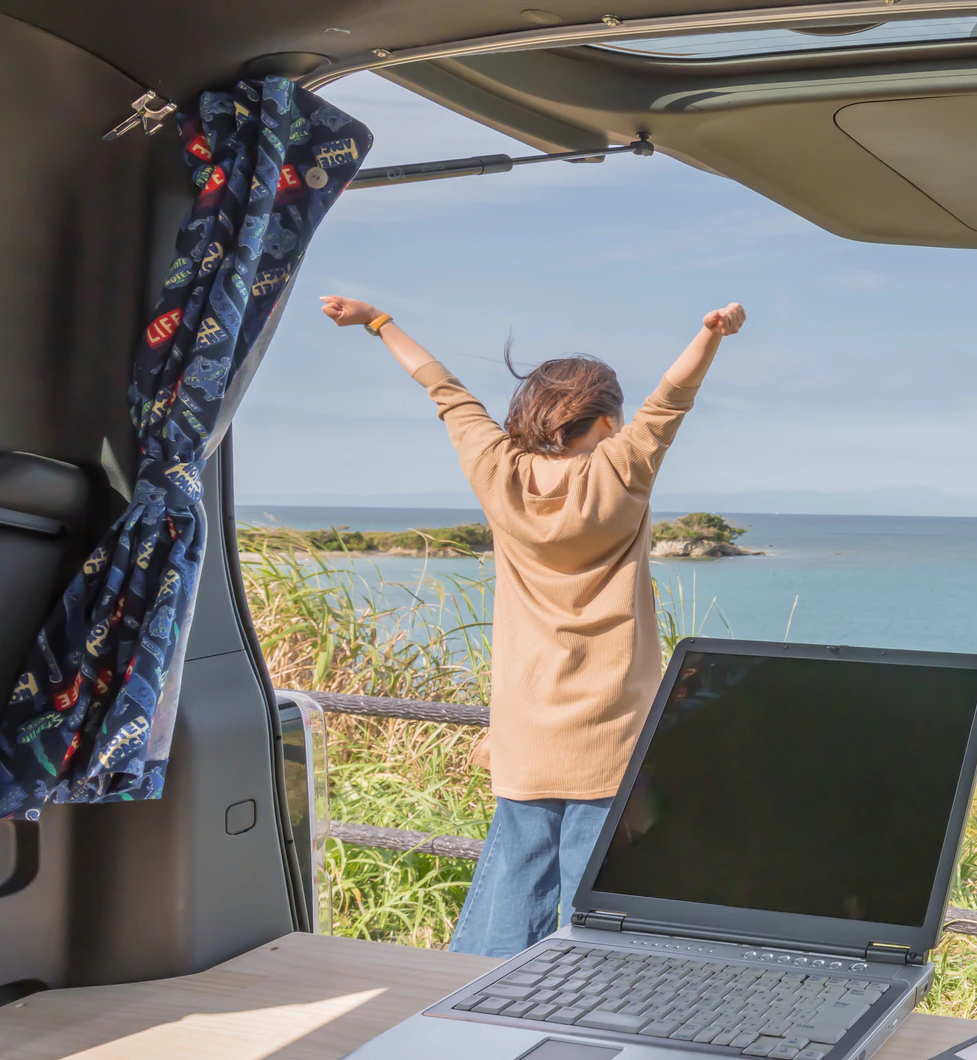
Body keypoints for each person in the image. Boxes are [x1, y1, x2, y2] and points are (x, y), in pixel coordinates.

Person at [320, 294, 748, 957]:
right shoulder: (621, 470)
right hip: (614, 734)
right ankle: (587, 1021)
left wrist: (378, 323)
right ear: (606, 419)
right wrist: (710, 334)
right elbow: (672, 398)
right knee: (597, 911)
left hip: (525, 731)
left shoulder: (498, 471)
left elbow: (447, 393)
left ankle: (473, 1016)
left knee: (511, 894)